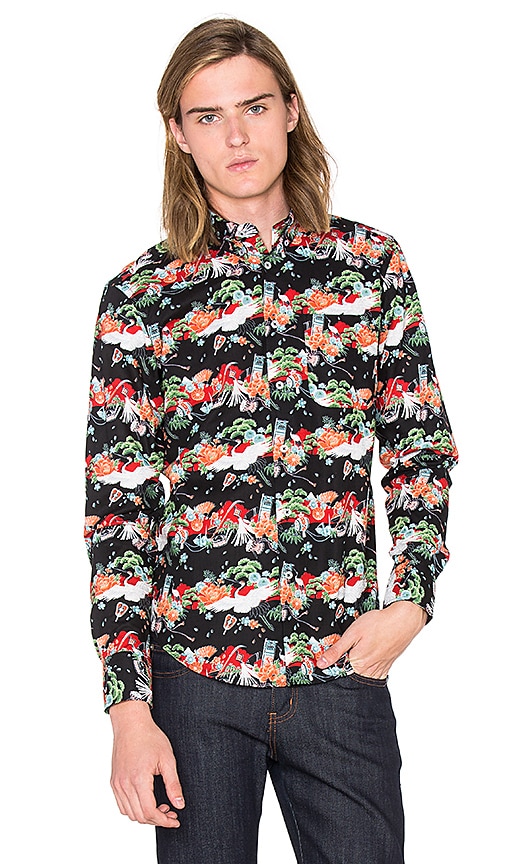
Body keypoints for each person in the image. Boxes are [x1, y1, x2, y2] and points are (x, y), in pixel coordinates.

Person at [85, 18, 458, 864]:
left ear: (290, 110)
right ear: (178, 134)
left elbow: (418, 446)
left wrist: (411, 600)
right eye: (207, 116)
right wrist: (128, 707)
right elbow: (118, 505)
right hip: (194, 683)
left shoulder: (370, 266)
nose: (236, 136)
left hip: (340, 671)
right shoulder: (141, 295)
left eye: (253, 107)